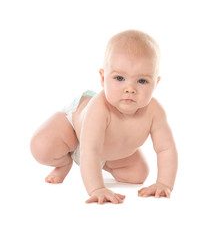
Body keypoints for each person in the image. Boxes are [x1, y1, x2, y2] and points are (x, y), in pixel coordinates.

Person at [30, 30, 178, 204]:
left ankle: (98, 164)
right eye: (120, 78)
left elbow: (166, 149)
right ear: (102, 78)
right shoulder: (99, 108)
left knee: (137, 175)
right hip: (74, 129)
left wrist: (163, 183)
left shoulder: (155, 112)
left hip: (105, 152)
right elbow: (90, 150)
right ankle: (63, 163)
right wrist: (97, 188)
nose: (130, 88)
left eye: (142, 81)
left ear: (156, 83)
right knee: (42, 146)